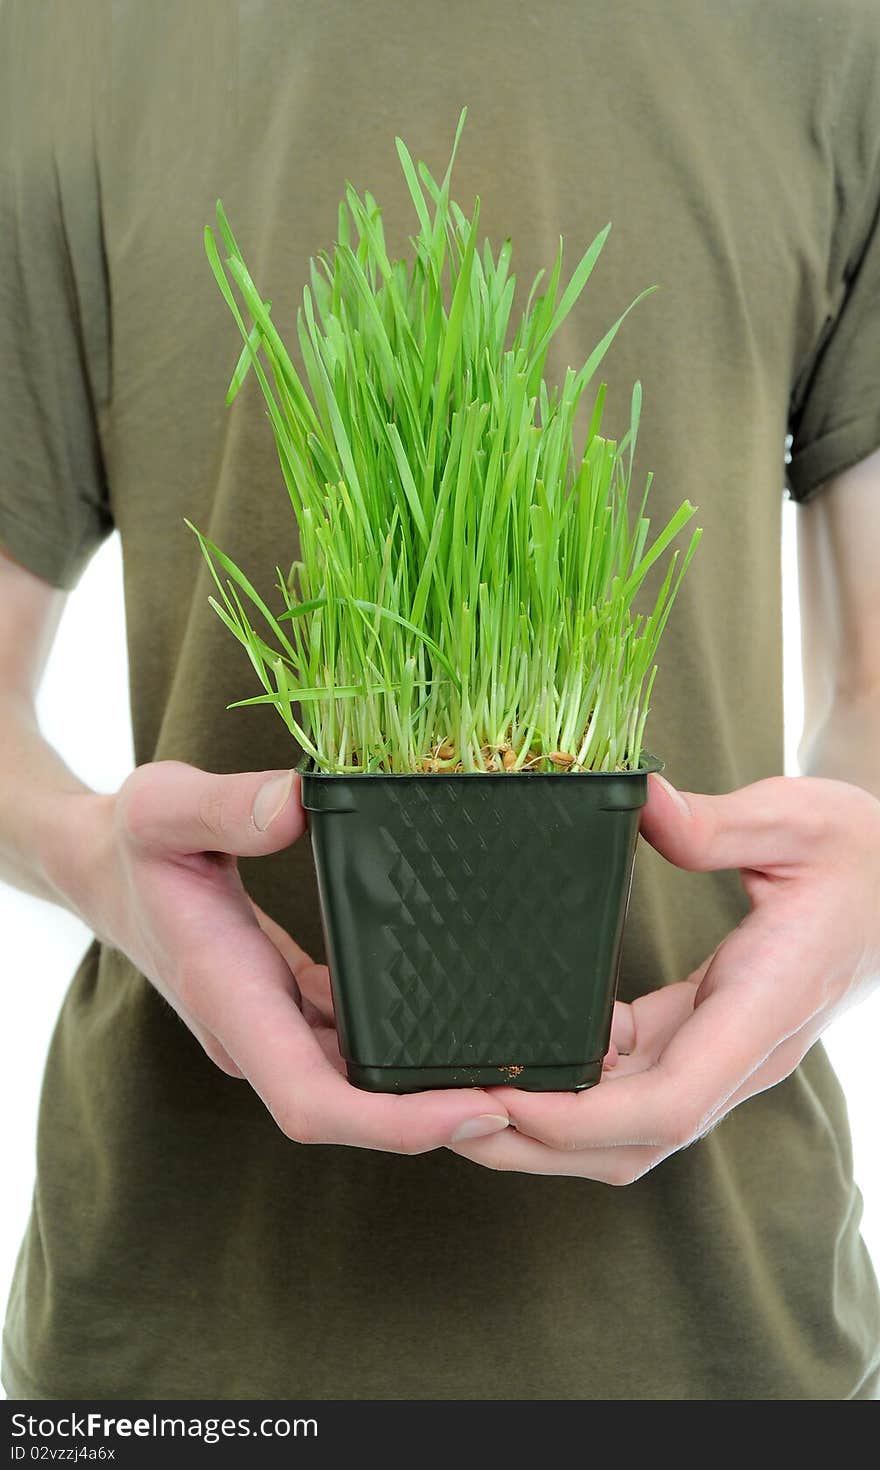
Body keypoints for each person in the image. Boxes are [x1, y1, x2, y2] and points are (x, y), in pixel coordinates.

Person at [1, 0, 879, 1402]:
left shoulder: (837, 32)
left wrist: (866, 881)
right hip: (171, 1341)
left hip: (721, 1337)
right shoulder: (61, 33)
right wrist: (95, 857)